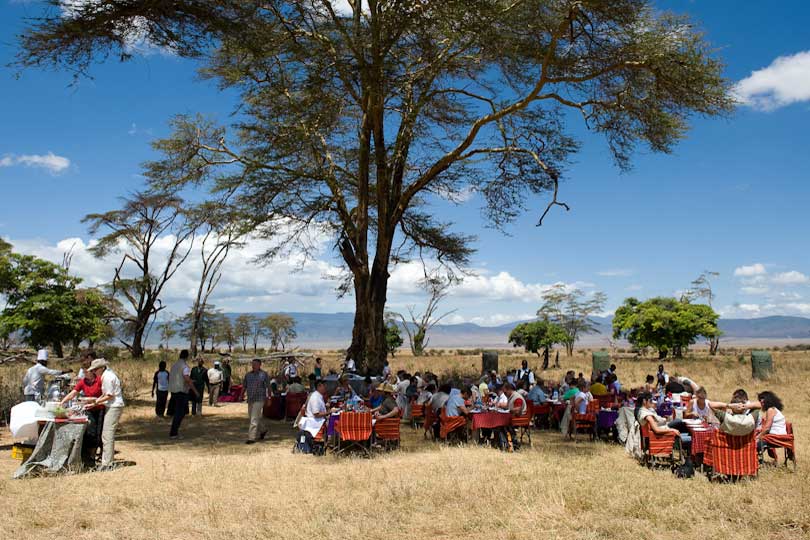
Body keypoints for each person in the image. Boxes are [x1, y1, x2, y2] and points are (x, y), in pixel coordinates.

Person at [60, 364, 104, 468]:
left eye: (86, 372)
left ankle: (94, 456)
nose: (85, 374)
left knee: (98, 433)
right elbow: (73, 393)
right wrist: (63, 401)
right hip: (88, 409)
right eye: (83, 372)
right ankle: (88, 457)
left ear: (92, 371)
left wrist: (95, 401)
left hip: (100, 408)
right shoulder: (82, 382)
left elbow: (105, 393)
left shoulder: (100, 380)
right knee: (90, 432)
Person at [87, 358, 125, 470]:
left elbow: (109, 395)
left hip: (114, 406)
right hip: (112, 405)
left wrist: (95, 402)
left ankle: (107, 463)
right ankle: (107, 461)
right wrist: (95, 402)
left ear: (102, 368)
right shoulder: (106, 375)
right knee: (106, 434)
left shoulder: (108, 377)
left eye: (95, 370)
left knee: (107, 435)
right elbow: (105, 395)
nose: (94, 372)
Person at [635, 391, 692, 459]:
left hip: (659, 429)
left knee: (681, 424)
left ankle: (686, 449)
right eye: (650, 401)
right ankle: (688, 452)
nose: (652, 402)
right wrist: (672, 430)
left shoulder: (641, 411)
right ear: (644, 401)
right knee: (681, 423)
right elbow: (657, 430)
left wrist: (664, 420)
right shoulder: (647, 415)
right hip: (659, 433)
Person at [169, 350, 198, 439]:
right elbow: (186, 379)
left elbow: (178, 377)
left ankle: (174, 431)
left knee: (179, 412)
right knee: (180, 413)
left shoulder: (174, 365)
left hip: (173, 391)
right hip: (181, 392)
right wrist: (195, 391)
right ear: (187, 357)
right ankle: (174, 433)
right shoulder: (185, 367)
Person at [244, 359, 270, 444]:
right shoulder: (248, 375)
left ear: (260, 365)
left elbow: (268, 387)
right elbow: (244, 386)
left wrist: (269, 398)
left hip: (260, 399)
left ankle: (251, 438)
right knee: (252, 417)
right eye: (252, 364)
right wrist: (241, 395)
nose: (253, 366)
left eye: (255, 364)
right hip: (250, 399)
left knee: (254, 418)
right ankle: (263, 430)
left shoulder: (264, 375)